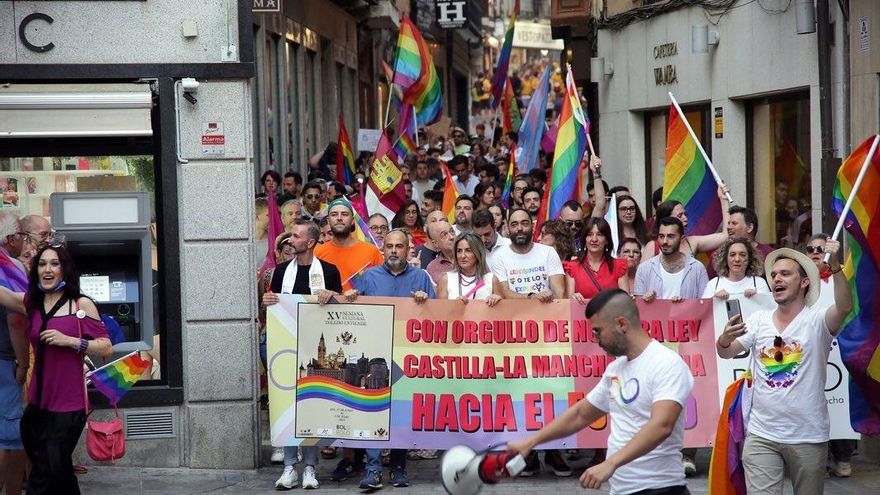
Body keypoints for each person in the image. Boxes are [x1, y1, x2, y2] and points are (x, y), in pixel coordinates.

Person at [508, 289, 694, 494]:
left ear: (621, 324)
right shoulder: (616, 368)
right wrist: (531, 441)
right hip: (622, 489)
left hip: (661, 488)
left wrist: (611, 463)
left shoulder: (666, 364)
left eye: (598, 331)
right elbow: (581, 414)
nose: (595, 339)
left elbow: (662, 425)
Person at [716, 240, 852, 495]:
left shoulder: (816, 320)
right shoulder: (758, 321)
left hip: (808, 436)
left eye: (785, 274)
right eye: (774, 275)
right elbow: (726, 352)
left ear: (803, 282)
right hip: (761, 435)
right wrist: (724, 338)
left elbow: (845, 307)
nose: (777, 278)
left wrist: (835, 269)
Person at [0, 240, 113, 494]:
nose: (47, 269)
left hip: (69, 404)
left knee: (46, 472)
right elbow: (4, 294)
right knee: (55, 470)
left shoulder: (81, 304)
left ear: (65, 269)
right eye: (42, 264)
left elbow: (106, 346)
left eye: (54, 263)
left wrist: (71, 341)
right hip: (38, 402)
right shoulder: (31, 302)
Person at [344, 229, 435, 490]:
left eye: (399, 246)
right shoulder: (368, 277)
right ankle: (373, 470)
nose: (394, 250)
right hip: (376, 357)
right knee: (375, 410)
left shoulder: (421, 277)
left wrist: (426, 301)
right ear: (382, 249)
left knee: (401, 413)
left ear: (409, 250)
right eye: (390, 246)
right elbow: (351, 309)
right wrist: (351, 297)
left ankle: (398, 467)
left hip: (408, 357)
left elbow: (438, 316)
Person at [489, 208, 571, 477]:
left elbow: (558, 291)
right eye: (515, 224)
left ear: (532, 226)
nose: (520, 228)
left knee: (552, 394)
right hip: (513, 338)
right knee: (523, 398)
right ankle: (530, 454)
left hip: (549, 337)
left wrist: (547, 296)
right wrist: (534, 297)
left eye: (525, 223)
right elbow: (502, 292)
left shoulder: (548, 253)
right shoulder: (499, 256)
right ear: (508, 228)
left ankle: (555, 451)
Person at [263, 220, 343, 489]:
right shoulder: (281, 271)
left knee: (312, 406)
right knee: (287, 404)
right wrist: (268, 301)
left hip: (315, 349)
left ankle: (309, 467)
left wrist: (332, 295)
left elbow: (341, 310)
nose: (289, 240)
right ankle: (289, 467)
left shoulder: (330, 272)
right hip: (285, 348)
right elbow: (273, 305)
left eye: (295, 236)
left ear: (310, 242)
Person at [804, 233, 857, 478]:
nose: (815, 252)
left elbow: (848, 307)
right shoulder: (798, 282)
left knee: (840, 402)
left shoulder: (841, 277)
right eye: (810, 248)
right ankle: (820, 457)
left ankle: (843, 455)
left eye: (821, 248)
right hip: (811, 352)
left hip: (839, 350)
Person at [0, 213, 26, 495]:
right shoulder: (8, 267)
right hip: (6, 358)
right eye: (21, 235)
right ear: (10, 239)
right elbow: (17, 318)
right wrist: (24, 362)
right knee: (10, 437)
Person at [634, 217, 709, 304]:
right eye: (661, 236)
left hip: (687, 317)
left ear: (682, 238)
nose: (665, 241)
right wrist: (645, 300)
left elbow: (705, 304)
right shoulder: (644, 268)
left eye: (670, 236)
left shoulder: (697, 268)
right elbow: (638, 305)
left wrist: (685, 304)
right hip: (656, 317)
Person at [643, 186, 731, 259]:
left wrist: (723, 200)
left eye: (685, 214)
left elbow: (726, 236)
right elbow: (642, 277)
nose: (685, 218)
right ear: (667, 219)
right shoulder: (652, 247)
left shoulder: (692, 242)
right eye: (680, 215)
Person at [314, 200, 383, 292]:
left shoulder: (372, 251)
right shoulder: (317, 253)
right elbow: (313, 290)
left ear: (353, 221)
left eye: (344, 214)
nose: (339, 218)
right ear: (328, 221)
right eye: (334, 214)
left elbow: (381, 285)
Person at [565, 217, 628, 304]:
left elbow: (625, 302)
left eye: (599, 234)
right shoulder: (572, 267)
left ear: (606, 240)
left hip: (611, 316)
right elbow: (568, 304)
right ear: (584, 239)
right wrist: (574, 299)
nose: (594, 239)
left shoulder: (619, 266)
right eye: (590, 234)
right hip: (581, 316)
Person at [436, 232, 503, 305]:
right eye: (459, 251)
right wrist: (453, 305)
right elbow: (440, 314)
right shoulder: (446, 280)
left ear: (478, 253)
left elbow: (502, 312)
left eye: (468, 250)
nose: (462, 256)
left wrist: (496, 300)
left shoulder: (492, 280)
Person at [702, 237, 770, 300]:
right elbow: (704, 310)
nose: (737, 259)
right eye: (732, 255)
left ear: (749, 259)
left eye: (742, 255)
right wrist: (714, 299)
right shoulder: (713, 285)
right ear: (725, 259)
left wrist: (758, 298)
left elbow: (769, 310)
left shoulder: (759, 284)